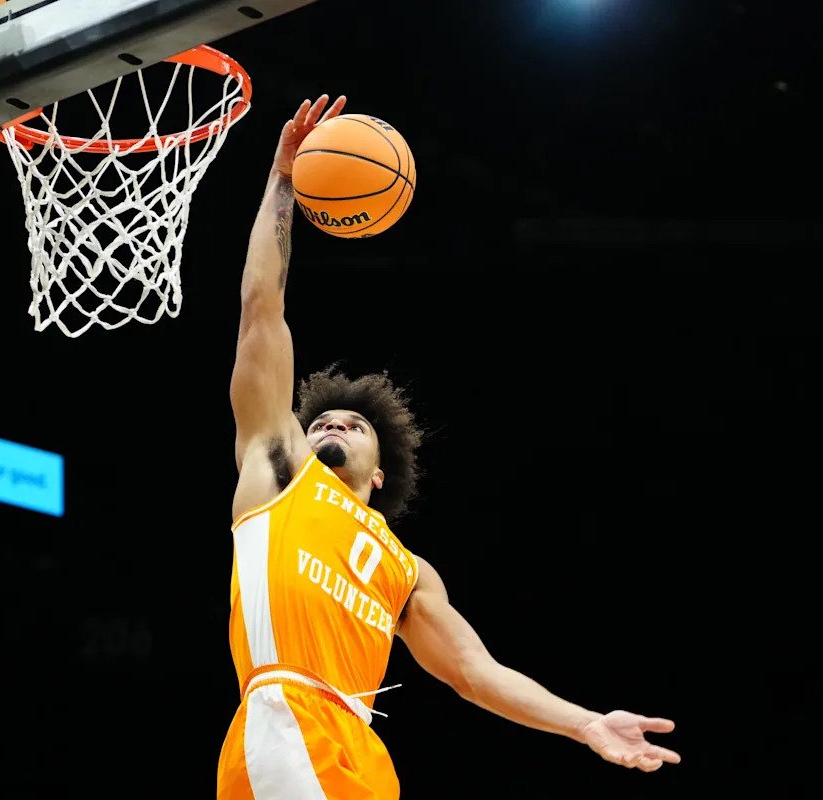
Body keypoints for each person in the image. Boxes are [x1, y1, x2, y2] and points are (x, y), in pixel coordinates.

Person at [216, 94, 682, 799]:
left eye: (355, 425)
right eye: (322, 422)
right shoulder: (279, 471)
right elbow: (262, 311)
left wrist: (585, 722)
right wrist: (283, 181)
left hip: (362, 749)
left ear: (380, 475)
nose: (333, 426)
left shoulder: (406, 571)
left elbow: (474, 671)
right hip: (284, 725)